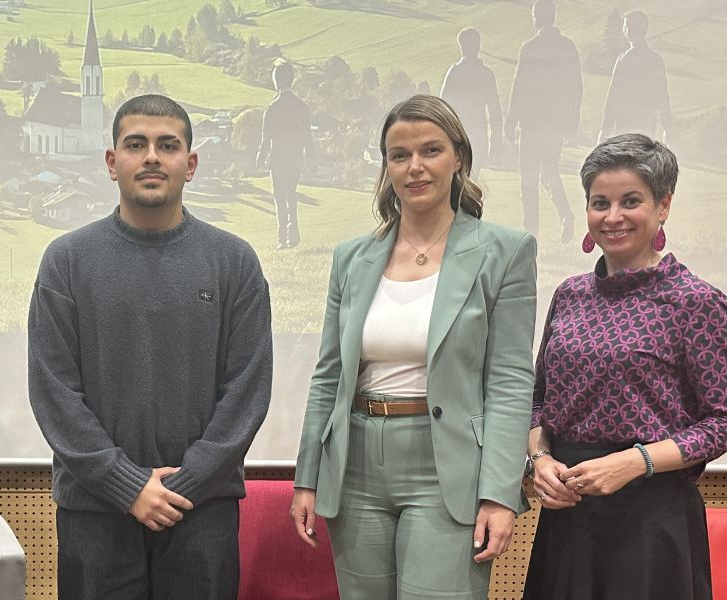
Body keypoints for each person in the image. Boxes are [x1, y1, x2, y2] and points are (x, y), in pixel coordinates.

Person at [290, 95, 537, 599]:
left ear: (459, 157)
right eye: (399, 155)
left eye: (431, 150)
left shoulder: (506, 251)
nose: (414, 167)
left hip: (448, 470)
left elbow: (510, 382)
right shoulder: (351, 258)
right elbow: (329, 374)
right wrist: (307, 477)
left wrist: (499, 492)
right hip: (355, 467)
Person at [28, 94, 273, 600]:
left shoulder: (234, 262)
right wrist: (127, 485)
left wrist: (184, 486)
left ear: (191, 164)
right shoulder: (66, 261)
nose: (152, 158)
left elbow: (246, 392)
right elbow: (54, 392)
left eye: (168, 145)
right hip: (95, 513)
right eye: (136, 144)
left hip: (201, 512)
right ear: (112, 162)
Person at [524, 133, 727, 600]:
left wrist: (634, 462)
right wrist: (539, 460)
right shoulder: (569, 295)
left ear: (663, 205)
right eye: (599, 203)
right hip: (568, 518)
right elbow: (538, 400)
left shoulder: (696, 302)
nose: (612, 217)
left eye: (631, 201)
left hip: (651, 524)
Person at [505, 0, 582, 243]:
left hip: (531, 121)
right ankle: (566, 214)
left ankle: (531, 233)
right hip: (555, 121)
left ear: (537, 17)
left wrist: (511, 121)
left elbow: (519, 86)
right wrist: (572, 121)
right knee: (549, 170)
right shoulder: (568, 47)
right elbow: (577, 87)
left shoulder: (530, 47)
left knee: (528, 178)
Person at [256, 61, 315, 249]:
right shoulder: (302, 107)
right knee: (291, 193)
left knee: (279, 196)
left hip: (278, 159)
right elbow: (308, 136)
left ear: (276, 81)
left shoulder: (272, 109)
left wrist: (260, 157)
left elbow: (266, 138)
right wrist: (311, 159)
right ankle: (293, 233)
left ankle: (282, 237)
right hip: (295, 158)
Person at [598, 10, 672, 143]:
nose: (626, 28)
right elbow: (662, 96)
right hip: (645, 123)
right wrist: (667, 127)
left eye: (628, 25)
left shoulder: (624, 59)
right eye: (625, 25)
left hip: (625, 123)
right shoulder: (655, 59)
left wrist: (605, 129)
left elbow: (613, 96)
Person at [440, 27, 503, 174]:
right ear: (478, 46)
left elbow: (442, 108)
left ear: (461, 47)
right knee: (471, 179)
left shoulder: (454, 72)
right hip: (478, 137)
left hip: (456, 136)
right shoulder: (486, 74)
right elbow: (495, 111)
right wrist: (495, 142)